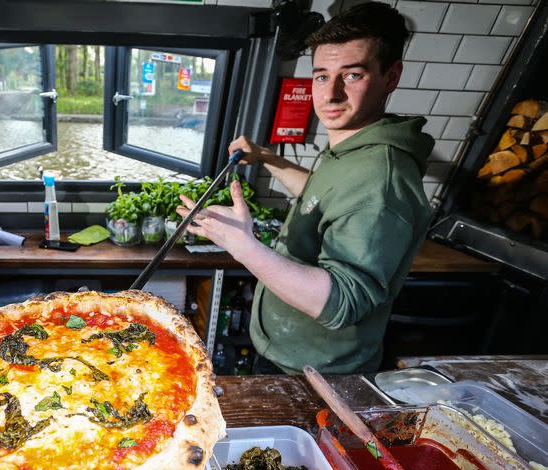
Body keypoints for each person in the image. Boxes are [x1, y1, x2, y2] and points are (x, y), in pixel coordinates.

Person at [177, 2, 434, 374]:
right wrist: (267, 157)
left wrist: (244, 247)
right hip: (292, 350)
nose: (330, 95)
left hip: (318, 373)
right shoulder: (354, 146)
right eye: (321, 76)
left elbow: (342, 302)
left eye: (352, 75)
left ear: (391, 77)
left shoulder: (382, 177)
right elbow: (324, 195)